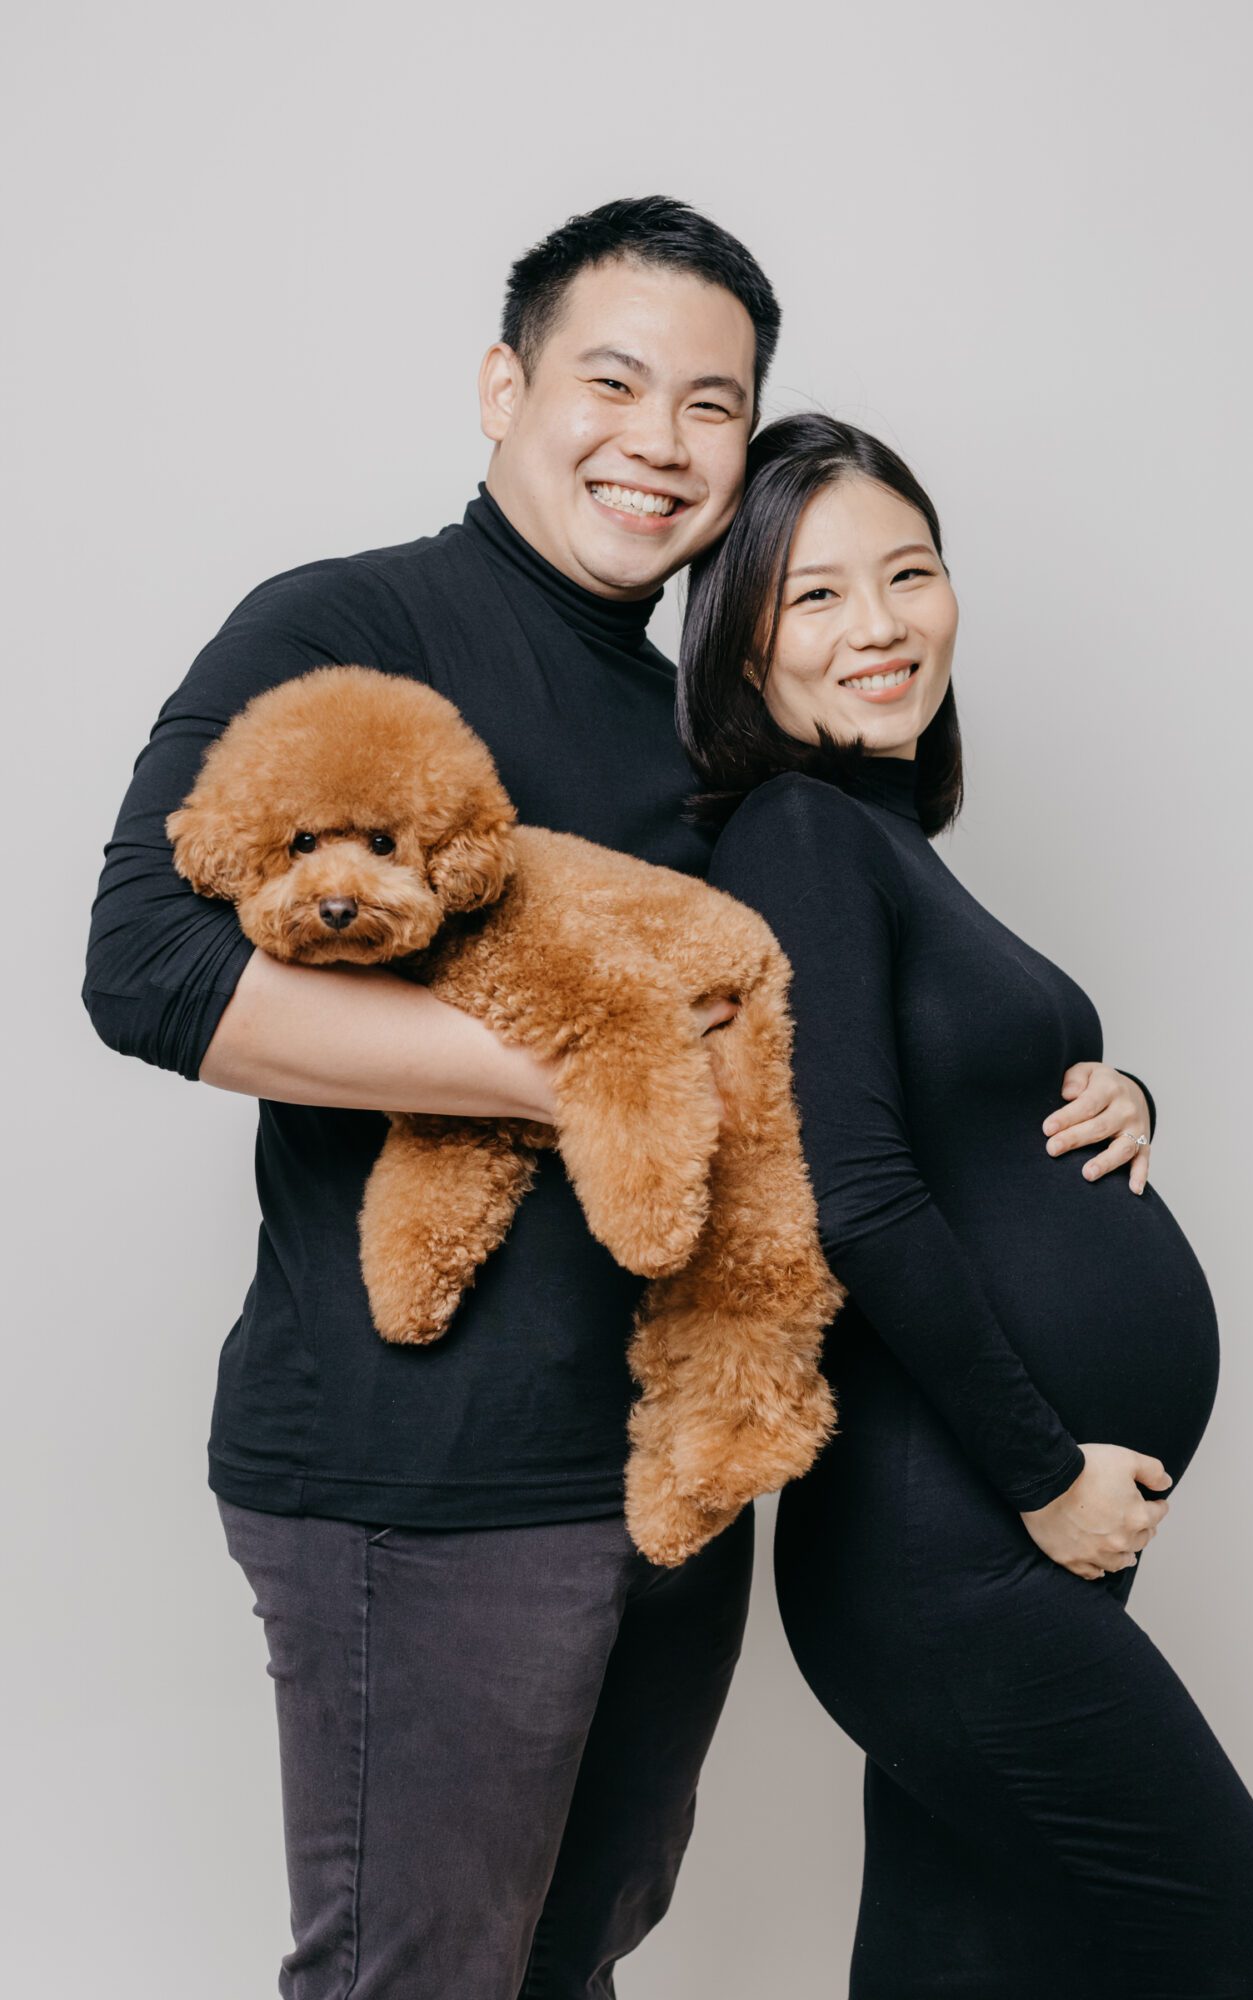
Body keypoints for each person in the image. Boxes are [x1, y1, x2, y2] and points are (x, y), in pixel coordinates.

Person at [83, 195, 772, 2000]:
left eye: (713, 405)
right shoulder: (346, 624)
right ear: (501, 385)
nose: (660, 440)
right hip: (426, 1475)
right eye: (612, 380)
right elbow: (147, 964)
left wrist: (1101, 1080)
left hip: (661, 1465)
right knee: (423, 1979)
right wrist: (584, 1079)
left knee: (572, 1961)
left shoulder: (706, 710)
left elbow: (816, 1010)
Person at [690, 414, 1253, 1996]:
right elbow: (854, 1193)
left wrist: (1123, 1093)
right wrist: (1044, 1474)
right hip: (955, 1548)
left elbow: (957, 1117)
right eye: (816, 597)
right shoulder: (793, 831)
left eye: (907, 573)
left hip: (986, 1544)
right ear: (739, 647)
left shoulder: (881, 843)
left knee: (960, 1967)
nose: (882, 624)